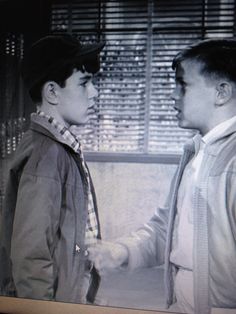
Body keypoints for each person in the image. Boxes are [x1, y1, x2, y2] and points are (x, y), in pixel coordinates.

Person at [88, 38, 236, 314]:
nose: (173, 94)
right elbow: (167, 229)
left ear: (221, 92)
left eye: (183, 84)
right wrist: (121, 251)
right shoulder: (196, 152)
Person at [0, 34, 105, 303]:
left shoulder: (58, 147)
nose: (94, 92)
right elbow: (31, 255)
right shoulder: (47, 154)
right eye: (84, 83)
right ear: (52, 92)